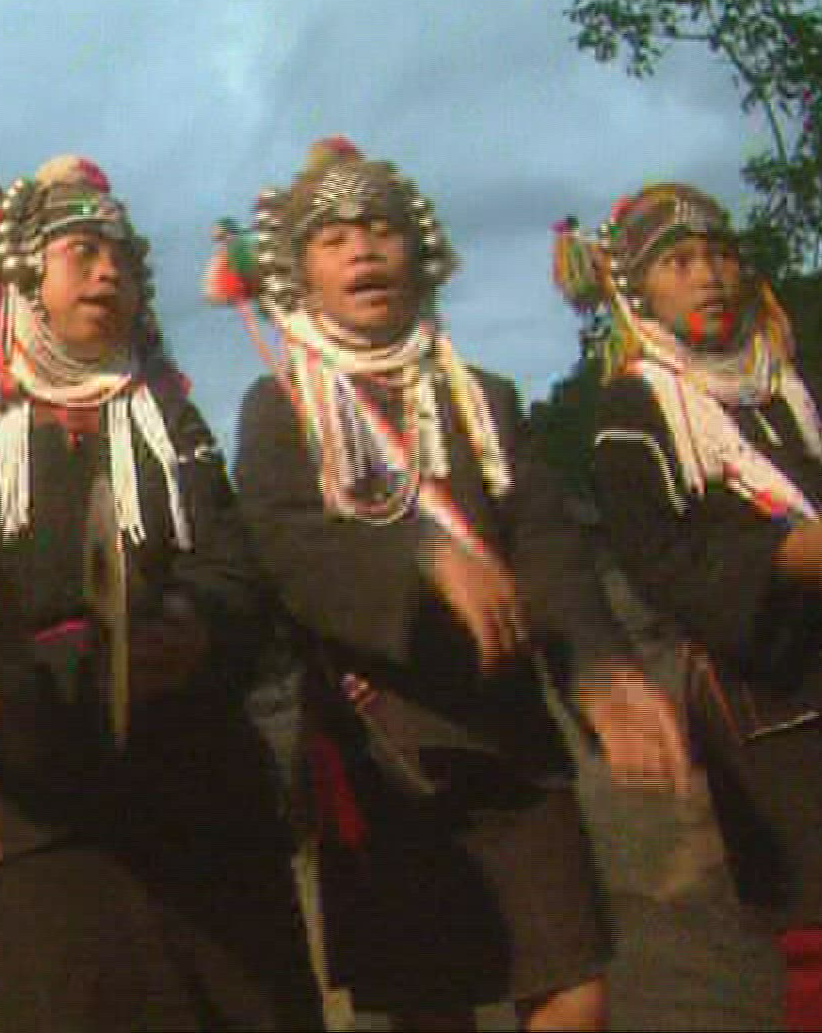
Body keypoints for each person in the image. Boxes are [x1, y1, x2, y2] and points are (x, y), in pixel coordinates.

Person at [217, 137, 690, 1031]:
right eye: (333, 238)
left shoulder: (485, 399)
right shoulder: (281, 406)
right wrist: (425, 563)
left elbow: (547, 544)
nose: (363, 249)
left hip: (510, 735)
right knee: (430, 1009)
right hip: (385, 750)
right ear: (298, 274)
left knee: (574, 993)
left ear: (421, 250)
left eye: (382, 229)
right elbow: (291, 551)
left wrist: (600, 670)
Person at [0, 155, 322, 1032]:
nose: (109, 272)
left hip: (205, 808)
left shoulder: (168, 422)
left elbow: (235, 569)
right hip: (39, 823)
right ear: (23, 281)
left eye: (121, 256)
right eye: (82, 252)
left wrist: (193, 624)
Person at [556, 182, 822, 1032]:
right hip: (766, 703)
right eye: (677, 262)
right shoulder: (635, 410)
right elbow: (661, 566)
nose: (708, 274)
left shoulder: (783, 387)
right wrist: (786, 556)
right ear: (637, 292)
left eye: (719, 254)